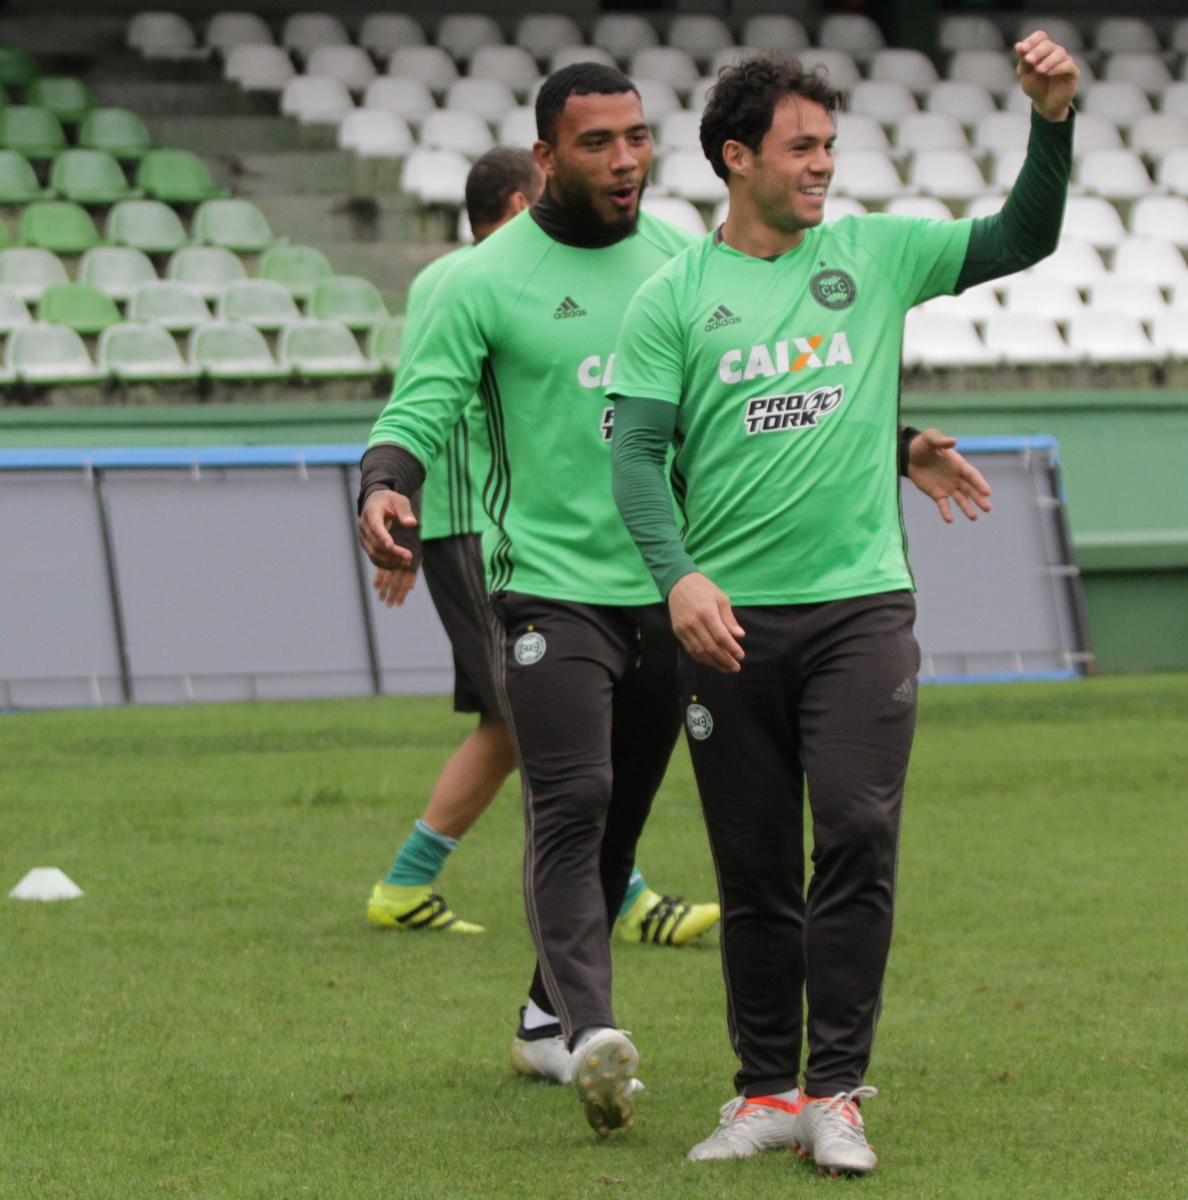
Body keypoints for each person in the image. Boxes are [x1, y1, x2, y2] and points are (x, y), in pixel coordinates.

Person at [357, 63, 996, 1140]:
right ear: (546, 158)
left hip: (681, 595)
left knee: (620, 829)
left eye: (637, 139)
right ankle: (594, 1034)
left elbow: (743, 407)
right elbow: (420, 408)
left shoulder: (681, 268)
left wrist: (891, 447)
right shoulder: (480, 280)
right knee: (574, 799)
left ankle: (541, 1014)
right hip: (549, 588)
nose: (625, 161)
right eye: (598, 143)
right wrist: (385, 481)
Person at [608, 34, 1078, 1174]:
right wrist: (678, 578)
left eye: (830, 145)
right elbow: (634, 460)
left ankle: (837, 1095)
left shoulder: (875, 252)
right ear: (736, 157)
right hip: (729, 626)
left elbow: (1024, 236)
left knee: (858, 831)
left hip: (863, 608)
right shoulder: (674, 298)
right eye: (801, 146)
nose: (823, 164)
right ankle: (764, 1090)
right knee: (756, 864)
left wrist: (1052, 120)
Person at [364, 146, 720, 954]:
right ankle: (615, 894)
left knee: (521, 716)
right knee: (536, 715)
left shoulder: (631, 261)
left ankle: (415, 882)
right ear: (529, 197)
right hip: (475, 526)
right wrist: (408, 515)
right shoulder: (468, 281)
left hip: (499, 528)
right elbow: (430, 403)